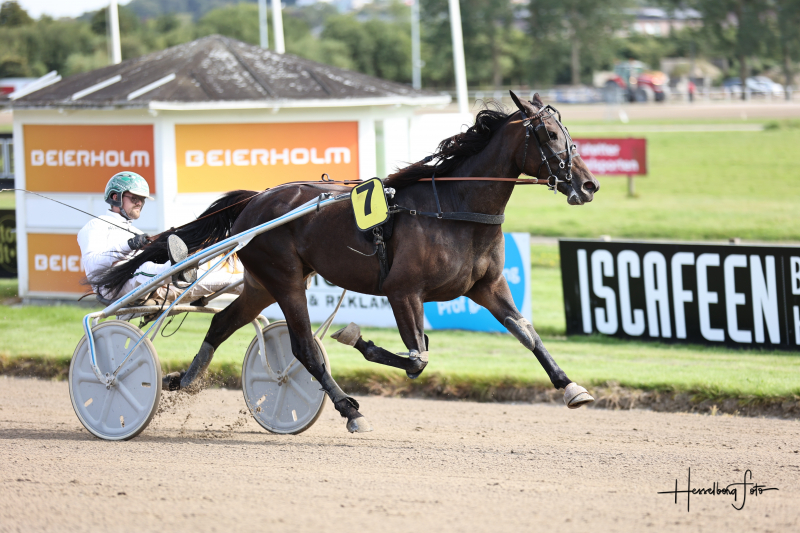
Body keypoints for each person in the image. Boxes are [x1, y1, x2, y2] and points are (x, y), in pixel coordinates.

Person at [78, 171, 242, 303]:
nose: (139, 203)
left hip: (143, 283)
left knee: (221, 278)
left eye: (141, 200)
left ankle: (255, 284)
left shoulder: (134, 230)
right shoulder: (95, 226)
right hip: (112, 285)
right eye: (134, 198)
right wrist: (128, 245)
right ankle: (180, 269)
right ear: (116, 197)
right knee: (144, 270)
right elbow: (92, 265)